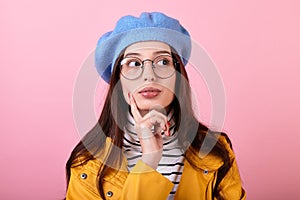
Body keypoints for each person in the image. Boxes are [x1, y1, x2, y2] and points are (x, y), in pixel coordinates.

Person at [64, 12, 246, 200]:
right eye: (134, 63)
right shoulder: (87, 164)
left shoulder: (216, 151)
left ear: (178, 76)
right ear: (118, 79)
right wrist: (150, 159)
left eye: (163, 62)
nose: (149, 75)